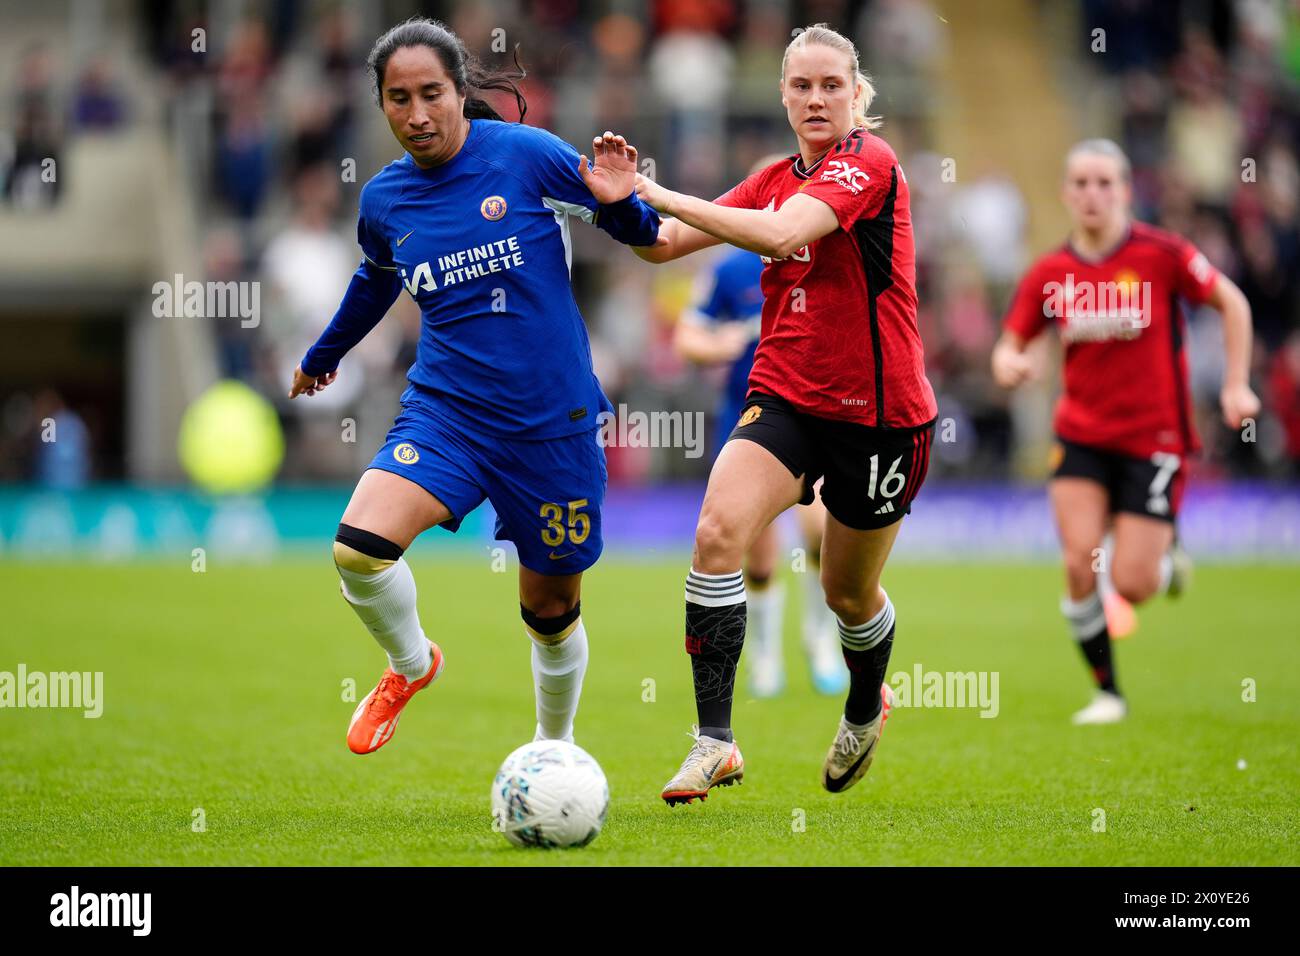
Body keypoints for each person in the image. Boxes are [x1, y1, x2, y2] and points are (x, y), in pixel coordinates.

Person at [288, 18, 659, 755]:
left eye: (431, 94)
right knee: (359, 547)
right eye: (399, 99)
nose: (417, 114)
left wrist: (618, 199)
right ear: (381, 104)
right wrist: (323, 355)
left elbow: (642, 232)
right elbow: (375, 279)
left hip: (552, 421)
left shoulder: (526, 155)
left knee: (551, 610)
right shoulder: (385, 199)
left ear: (460, 91)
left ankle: (552, 751)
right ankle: (411, 664)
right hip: (449, 413)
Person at [631, 24, 937, 802]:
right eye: (801, 85)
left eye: (831, 84)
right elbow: (664, 242)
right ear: (781, 93)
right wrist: (606, 201)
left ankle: (865, 707)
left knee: (846, 594)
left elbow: (780, 233)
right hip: (787, 397)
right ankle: (714, 742)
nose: (815, 98)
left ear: (857, 92)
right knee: (716, 532)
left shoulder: (870, 161)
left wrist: (658, 189)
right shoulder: (771, 175)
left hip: (881, 419)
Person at [991, 138, 1259, 725]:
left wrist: (1236, 385)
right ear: (1065, 193)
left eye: (1104, 183)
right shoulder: (1050, 273)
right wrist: (1010, 363)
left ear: (1126, 191)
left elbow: (1232, 303)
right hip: (1081, 437)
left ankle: (1165, 556)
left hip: (1154, 439)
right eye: (1081, 183)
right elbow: (1009, 344)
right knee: (1079, 565)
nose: (1092, 194)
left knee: (1134, 585)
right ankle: (1108, 693)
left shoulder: (1163, 254)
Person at [672, 158, 847, 698]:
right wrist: (721, 344)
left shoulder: (827, 252)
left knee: (820, 533)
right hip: (749, 416)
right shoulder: (729, 270)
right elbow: (688, 335)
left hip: (817, 414)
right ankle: (766, 656)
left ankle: (820, 641)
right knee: (760, 553)